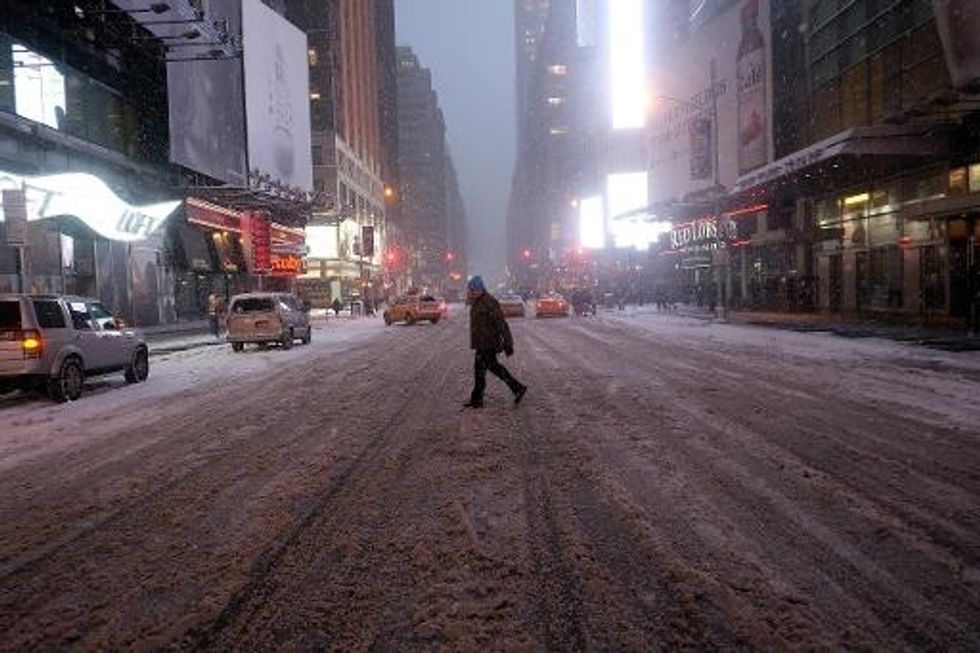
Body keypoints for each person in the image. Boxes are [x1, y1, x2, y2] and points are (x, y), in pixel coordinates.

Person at [463, 276, 528, 409]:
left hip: (489, 343)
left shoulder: (490, 302)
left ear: (480, 289)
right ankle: (517, 388)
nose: (471, 292)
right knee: (491, 368)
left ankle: (477, 399)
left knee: (481, 370)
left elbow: (502, 324)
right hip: (481, 343)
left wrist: (508, 343)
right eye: (470, 290)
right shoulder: (477, 302)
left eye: (473, 290)